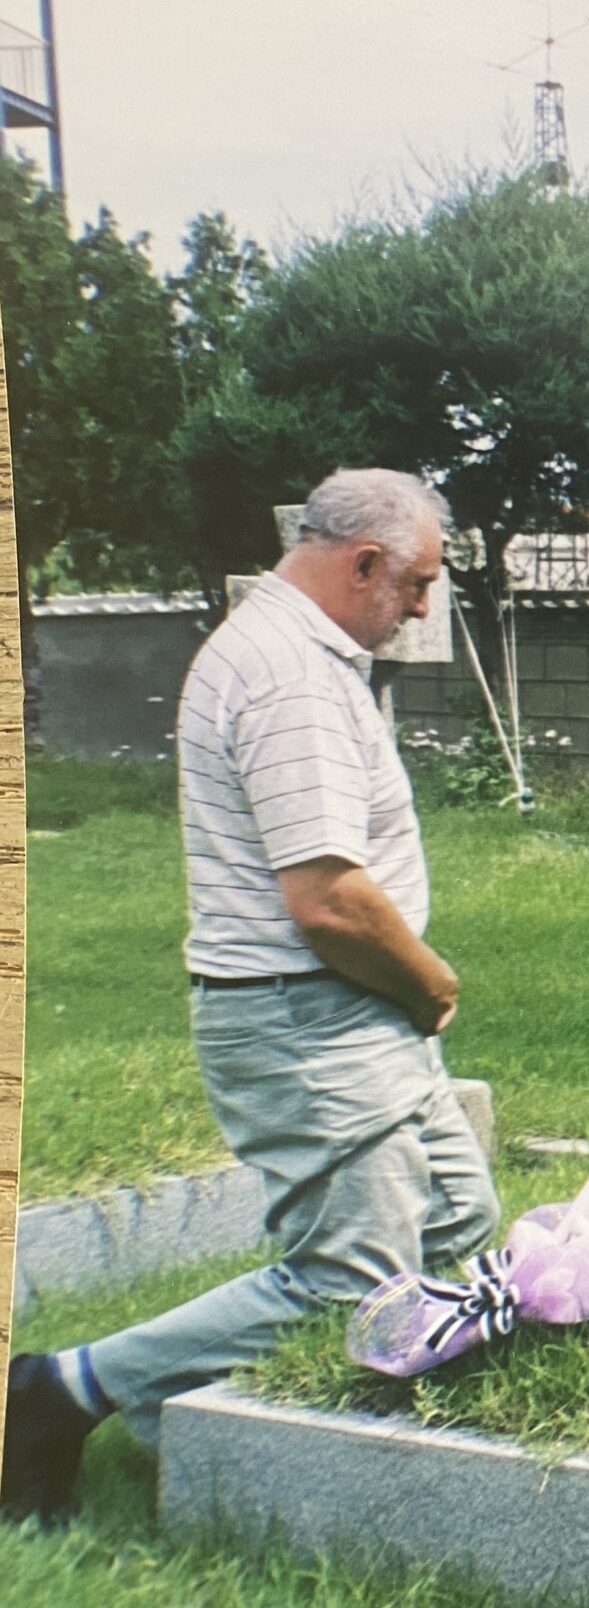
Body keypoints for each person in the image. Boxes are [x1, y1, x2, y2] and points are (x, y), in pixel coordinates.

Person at [3, 469, 500, 1524]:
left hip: (347, 1013)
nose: (419, 609)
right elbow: (325, 897)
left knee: (457, 1215)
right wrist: (432, 982)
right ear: (361, 563)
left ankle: (263, 1421)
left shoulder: (300, 654)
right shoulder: (289, 675)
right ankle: (59, 1395)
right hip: (309, 1014)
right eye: (414, 584)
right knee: (345, 1284)